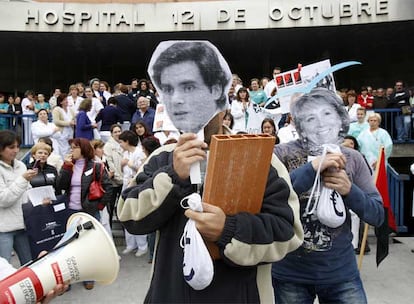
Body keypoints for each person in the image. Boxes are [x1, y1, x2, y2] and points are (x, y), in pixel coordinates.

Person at [117, 41, 303, 303]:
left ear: (220, 97)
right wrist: (172, 176)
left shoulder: (261, 158)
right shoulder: (161, 158)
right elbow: (128, 215)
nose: (180, 99)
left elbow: (287, 232)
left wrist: (228, 230)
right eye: (169, 89)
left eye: (191, 87)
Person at [272, 87, 384, 304]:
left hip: (341, 274)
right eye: (311, 118)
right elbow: (268, 200)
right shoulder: (279, 154)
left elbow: (377, 215)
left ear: (339, 118)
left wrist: (349, 190)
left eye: (326, 114)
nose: (320, 123)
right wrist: (311, 169)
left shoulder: (353, 158)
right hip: (290, 274)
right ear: (298, 123)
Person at [56, 137, 113, 290]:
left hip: (89, 211)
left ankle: (89, 276)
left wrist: (99, 206)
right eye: (71, 147)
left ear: (83, 149)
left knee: (88, 245)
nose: (72, 150)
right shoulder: (69, 165)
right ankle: (71, 276)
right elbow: (60, 185)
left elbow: (108, 188)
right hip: (71, 212)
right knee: (70, 245)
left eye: (75, 147)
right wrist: (66, 168)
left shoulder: (96, 166)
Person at [148, 41, 231, 134]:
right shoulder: (165, 147)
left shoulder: (240, 146)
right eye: (168, 89)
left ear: (216, 90)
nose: (175, 100)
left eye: (188, 88)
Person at [0, 130, 34, 265]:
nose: (16, 150)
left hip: (23, 225)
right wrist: (22, 179)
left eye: (17, 146)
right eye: (11, 147)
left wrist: (39, 201)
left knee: (29, 265)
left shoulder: (21, 166)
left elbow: (27, 191)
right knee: (4, 271)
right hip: (3, 229)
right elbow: (4, 199)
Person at [118, 130, 147, 257]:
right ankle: (131, 244)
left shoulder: (139, 152)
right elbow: (122, 170)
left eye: (121, 141)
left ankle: (142, 245)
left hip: (136, 186)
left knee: (136, 215)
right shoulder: (125, 153)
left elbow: (142, 169)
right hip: (126, 185)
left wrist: (129, 164)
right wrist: (122, 164)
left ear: (127, 141)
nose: (120, 144)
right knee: (126, 214)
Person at [103, 124, 124, 228]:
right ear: (111, 134)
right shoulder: (108, 146)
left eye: (119, 131)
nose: (117, 134)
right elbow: (109, 163)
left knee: (123, 206)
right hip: (114, 182)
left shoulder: (124, 143)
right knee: (110, 207)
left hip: (124, 181)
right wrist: (118, 178)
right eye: (115, 132)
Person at [52, 93, 75, 159]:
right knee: (63, 149)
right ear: (61, 102)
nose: (67, 101)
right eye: (65, 100)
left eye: (67, 99)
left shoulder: (70, 109)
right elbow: (56, 121)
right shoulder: (57, 109)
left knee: (69, 148)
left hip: (70, 132)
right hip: (62, 132)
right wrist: (68, 123)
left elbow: (74, 118)